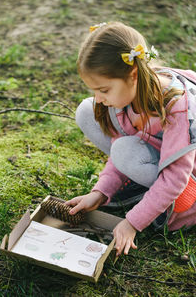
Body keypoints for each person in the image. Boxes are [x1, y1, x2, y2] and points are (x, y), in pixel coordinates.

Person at [65, 21, 196, 256]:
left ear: (133, 75)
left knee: (126, 151)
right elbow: (119, 143)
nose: (99, 98)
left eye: (104, 90)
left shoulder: (177, 108)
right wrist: (100, 192)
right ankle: (142, 186)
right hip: (152, 153)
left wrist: (132, 222)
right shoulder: (129, 95)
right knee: (87, 111)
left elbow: (176, 177)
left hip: (187, 181)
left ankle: (160, 203)